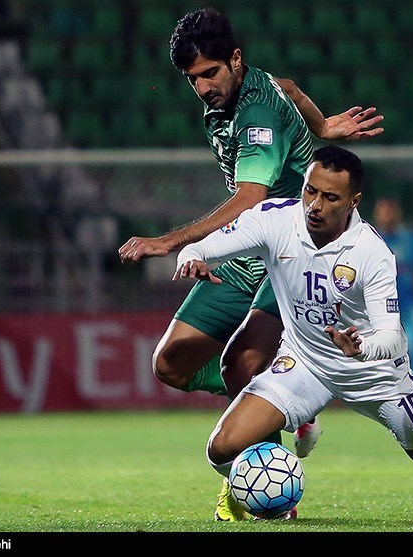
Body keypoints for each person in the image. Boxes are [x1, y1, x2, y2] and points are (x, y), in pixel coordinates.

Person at [174, 145, 413, 519]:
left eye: (330, 197)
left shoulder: (371, 253)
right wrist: (192, 256)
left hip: (375, 374)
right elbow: (212, 245)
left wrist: (362, 347)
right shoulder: (275, 220)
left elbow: (392, 337)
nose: (315, 205)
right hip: (305, 364)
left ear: (353, 201)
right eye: (310, 191)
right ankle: (260, 485)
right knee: (221, 449)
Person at [117, 7, 384, 521]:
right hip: (249, 251)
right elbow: (291, 87)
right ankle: (288, 406)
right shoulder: (245, 89)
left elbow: (249, 198)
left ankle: (264, 488)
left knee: (240, 363)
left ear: (235, 60)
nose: (202, 87)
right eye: (192, 78)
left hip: (292, 254)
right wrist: (322, 125)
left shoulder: (256, 112)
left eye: (210, 73)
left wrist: (171, 242)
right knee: (170, 364)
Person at [373, 197, 413, 388]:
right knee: (383, 353)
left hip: (408, 306)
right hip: (380, 308)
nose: (387, 215)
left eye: (390, 211)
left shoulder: (411, 239)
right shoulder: (371, 239)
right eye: (383, 211)